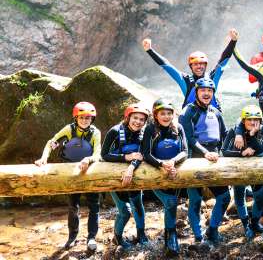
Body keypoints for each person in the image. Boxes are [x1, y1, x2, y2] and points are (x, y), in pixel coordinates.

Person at [34, 102, 102, 251]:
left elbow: (97, 154)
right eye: (82, 117)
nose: (85, 120)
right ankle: (72, 236)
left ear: (92, 119)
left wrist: (88, 159)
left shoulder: (95, 132)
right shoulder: (69, 129)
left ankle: (91, 238)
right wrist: (44, 157)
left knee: (94, 207)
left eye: (88, 118)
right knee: (73, 207)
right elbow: (51, 143)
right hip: (71, 172)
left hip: (90, 171)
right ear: (76, 118)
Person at [178, 78, 229, 244]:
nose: (206, 93)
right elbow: (189, 139)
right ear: (196, 93)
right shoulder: (188, 112)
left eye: (209, 91)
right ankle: (198, 237)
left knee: (225, 197)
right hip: (195, 159)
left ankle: (212, 230)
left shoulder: (216, 112)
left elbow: (225, 135)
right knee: (195, 200)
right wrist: (206, 153)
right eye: (203, 91)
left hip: (214, 158)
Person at [142, 29, 238, 108]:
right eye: (195, 64)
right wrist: (150, 50)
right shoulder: (185, 79)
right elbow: (167, 65)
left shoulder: (213, 77)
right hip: (191, 120)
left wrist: (233, 41)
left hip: (212, 117)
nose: (199, 66)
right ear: (191, 66)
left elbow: (224, 59)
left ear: (205, 65)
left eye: (202, 64)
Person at [141, 99, 188, 255]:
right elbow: (146, 153)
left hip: (174, 172)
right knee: (170, 201)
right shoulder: (150, 129)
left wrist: (173, 162)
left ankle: (170, 235)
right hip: (156, 173)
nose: (166, 116)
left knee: (172, 203)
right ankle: (171, 234)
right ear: (156, 115)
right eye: (162, 113)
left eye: (169, 113)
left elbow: (185, 151)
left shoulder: (178, 128)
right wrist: (161, 164)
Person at [101, 104, 151, 249]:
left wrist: (131, 167)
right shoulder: (115, 131)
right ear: (128, 117)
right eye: (135, 118)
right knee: (125, 211)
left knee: (138, 206)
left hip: (134, 174)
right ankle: (117, 238)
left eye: (142, 119)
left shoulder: (144, 133)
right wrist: (126, 157)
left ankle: (141, 235)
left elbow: (141, 155)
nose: (138, 122)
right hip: (116, 177)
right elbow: (104, 155)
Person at [222, 105, 263, 240]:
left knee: (259, 199)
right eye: (249, 119)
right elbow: (224, 151)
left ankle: (254, 224)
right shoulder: (234, 131)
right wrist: (241, 153)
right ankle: (246, 225)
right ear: (243, 121)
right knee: (239, 198)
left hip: (257, 172)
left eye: (256, 120)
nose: (253, 123)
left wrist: (252, 136)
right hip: (239, 172)